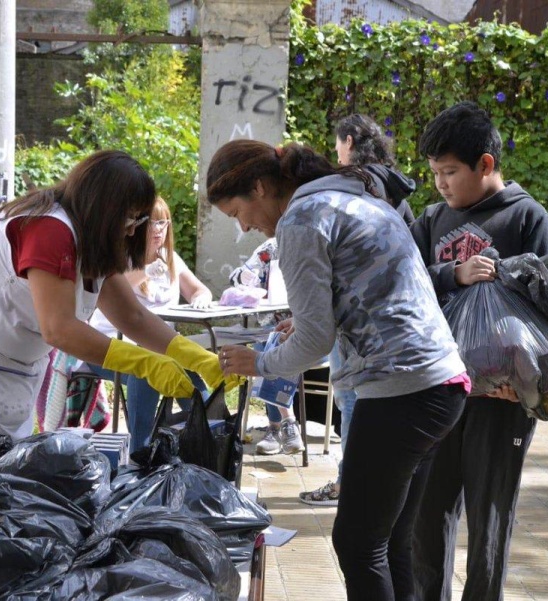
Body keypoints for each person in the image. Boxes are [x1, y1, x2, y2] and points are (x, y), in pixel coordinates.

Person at [209, 139, 468, 600]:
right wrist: (308, 322)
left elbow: (314, 342)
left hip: (399, 392)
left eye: (237, 213)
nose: (245, 227)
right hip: (440, 385)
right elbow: (365, 295)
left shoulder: (301, 219)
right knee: (389, 543)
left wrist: (260, 363)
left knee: (356, 543)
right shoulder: (352, 197)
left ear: (262, 187)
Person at [0, 150, 240, 466]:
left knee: (3, 485)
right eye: (130, 218)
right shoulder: (49, 229)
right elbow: (59, 328)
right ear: (105, 208)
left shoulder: (88, 237)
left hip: (5, 364)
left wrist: (193, 357)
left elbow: (131, 316)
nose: (132, 229)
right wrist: (144, 364)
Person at [410, 102, 548, 601]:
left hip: (501, 402)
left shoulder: (526, 217)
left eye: (450, 172)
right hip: (439, 390)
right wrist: (454, 273)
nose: (441, 184)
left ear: (486, 164)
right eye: (434, 173)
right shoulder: (431, 220)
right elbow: (402, 285)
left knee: (490, 518)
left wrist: (522, 385)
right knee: (427, 516)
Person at [301, 113, 417, 506]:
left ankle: (350, 483)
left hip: (358, 320)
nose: (335, 153)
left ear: (349, 141)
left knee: (351, 399)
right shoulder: (390, 187)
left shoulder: (354, 190)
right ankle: (361, 483)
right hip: (388, 320)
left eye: (337, 145)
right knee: (356, 401)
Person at [85, 196, 212, 451]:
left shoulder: (170, 257)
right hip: (109, 347)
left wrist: (200, 298)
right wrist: (146, 271)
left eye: (163, 223)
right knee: (148, 368)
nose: (158, 230)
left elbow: (200, 290)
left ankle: (210, 435)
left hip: (161, 346)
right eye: (152, 224)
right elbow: (115, 288)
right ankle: (140, 451)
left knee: (188, 368)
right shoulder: (118, 257)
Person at [228, 239, 305, 457]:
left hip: (312, 333)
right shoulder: (271, 249)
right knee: (269, 342)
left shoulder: (314, 244)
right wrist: (246, 278)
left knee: (273, 346)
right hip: (273, 328)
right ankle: (285, 423)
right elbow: (235, 277)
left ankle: (276, 426)